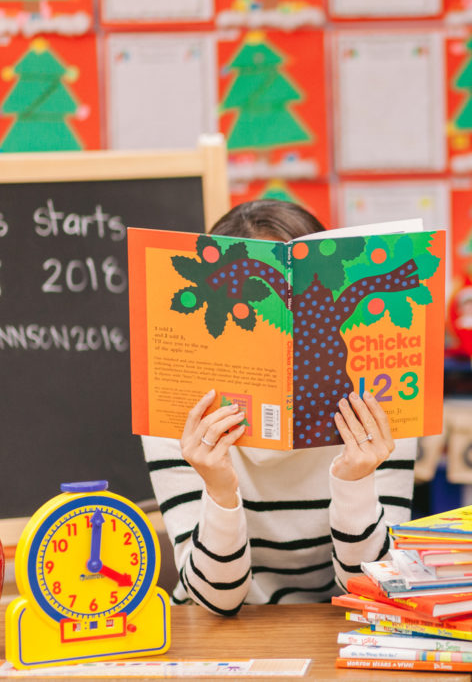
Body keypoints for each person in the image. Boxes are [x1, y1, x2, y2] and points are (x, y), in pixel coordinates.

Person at [142, 199, 416, 615]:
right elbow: (215, 601)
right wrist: (219, 490)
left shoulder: (378, 407)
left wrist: (354, 482)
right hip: (217, 636)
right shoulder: (180, 412)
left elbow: (373, 588)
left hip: (338, 628)